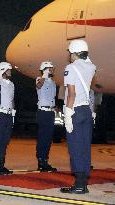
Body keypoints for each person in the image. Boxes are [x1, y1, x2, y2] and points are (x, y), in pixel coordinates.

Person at [60, 39, 96, 194]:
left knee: (75, 147)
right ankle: (83, 183)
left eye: (70, 52)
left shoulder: (70, 68)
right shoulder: (91, 67)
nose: (69, 55)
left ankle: (79, 185)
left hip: (75, 110)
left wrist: (67, 115)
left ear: (74, 52)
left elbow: (71, 94)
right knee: (84, 147)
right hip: (87, 111)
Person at [0, 62, 15, 175]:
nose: (10, 72)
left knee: (5, 141)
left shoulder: (11, 84)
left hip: (8, 115)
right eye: (8, 70)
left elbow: (12, 100)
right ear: (3, 70)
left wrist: (13, 113)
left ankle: (2, 164)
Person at [35, 61, 57, 172]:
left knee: (48, 138)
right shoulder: (39, 79)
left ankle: (45, 160)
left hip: (50, 112)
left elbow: (51, 98)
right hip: (43, 112)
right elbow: (38, 86)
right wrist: (44, 75)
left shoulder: (52, 82)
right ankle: (41, 161)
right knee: (42, 137)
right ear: (45, 69)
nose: (53, 70)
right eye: (50, 68)